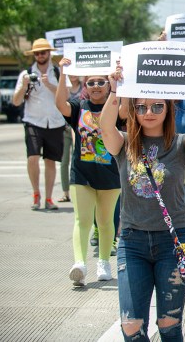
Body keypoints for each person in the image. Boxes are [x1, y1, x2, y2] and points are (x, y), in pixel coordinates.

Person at [100, 61, 185, 341]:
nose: (149, 112)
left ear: (168, 109)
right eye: (141, 107)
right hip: (132, 242)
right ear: (134, 110)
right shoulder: (124, 145)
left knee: (168, 325)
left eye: (157, 106)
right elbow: (105, 127)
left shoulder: (180, 145)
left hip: (174, 242)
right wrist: (115, 90)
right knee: (131, 325)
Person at [55, 59, 121, 286]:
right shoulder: (78, 106)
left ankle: (103, 262)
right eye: (91, 82)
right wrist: (63, 72)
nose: (95, 86)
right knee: (82, 220)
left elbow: (125, 111)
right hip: (81, 173)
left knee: (104, 222)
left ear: (107, 84)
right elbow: (60, 104)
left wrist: (117, 83)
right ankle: (80, 264)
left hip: (111, 175)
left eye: (100, 82)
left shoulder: (115, 106)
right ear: (85, 85)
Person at [12, 38, 66, 210]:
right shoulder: (26, 73)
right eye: (37, 53)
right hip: (33, 121)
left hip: (55, 122)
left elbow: (65, 96)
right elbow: (16, 101)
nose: (40, 55)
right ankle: (36, 194)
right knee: (32, 158)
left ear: (49, 53)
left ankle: (48, 198)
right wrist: (24, 86)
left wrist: (49, 85)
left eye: (43, 52)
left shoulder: (58, 72)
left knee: (50, 161)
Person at [59, 74, 84, 203]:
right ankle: (65, 192)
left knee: (78, 158)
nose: (73, 75)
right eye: (71, 73)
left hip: (81, 129)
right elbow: (60, 104)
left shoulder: (84, 88)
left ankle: (80, 190)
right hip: (65, 128)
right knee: (64, 161)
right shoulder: (65, 89)